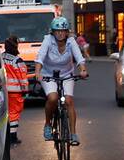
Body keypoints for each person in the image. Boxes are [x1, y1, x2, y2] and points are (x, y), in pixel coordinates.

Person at [35, 16, 87, 146]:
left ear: (67, 32)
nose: (60, 33)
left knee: (68, 101)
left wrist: (83, 70)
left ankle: (73, 134)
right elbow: (40, 57)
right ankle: (47, 124)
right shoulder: (48, 40)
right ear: (52, 32)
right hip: (48, 75)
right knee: (53, 98)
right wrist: (37, 72)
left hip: (66, 74)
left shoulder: (71, 41)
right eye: (57, 31)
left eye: (63, 30)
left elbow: (79, 58)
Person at [1, 35, 30, 145]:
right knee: (14, 114)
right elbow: (22, 77)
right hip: (14, 91)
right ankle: (12, 137)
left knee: (4, 113)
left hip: (1, 90)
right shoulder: (17, 61)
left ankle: (4, 135)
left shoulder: (0, 57)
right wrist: (25, 90)